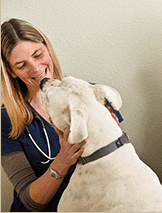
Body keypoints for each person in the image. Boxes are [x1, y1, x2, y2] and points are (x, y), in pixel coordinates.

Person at [1, 18, 123, 211]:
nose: (35, 68)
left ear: (47, 48)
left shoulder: (89, 94)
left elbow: (117, 166)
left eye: (37, 54)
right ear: (12, 72)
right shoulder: (6, 120)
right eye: (21, 65)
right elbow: (29, 201)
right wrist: (62, 162)